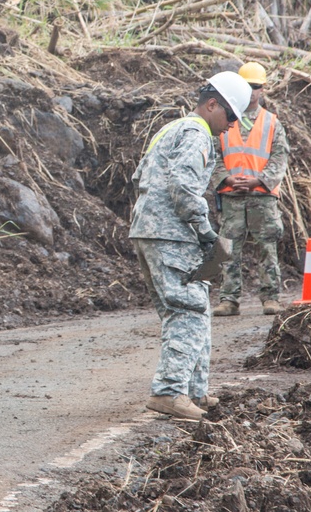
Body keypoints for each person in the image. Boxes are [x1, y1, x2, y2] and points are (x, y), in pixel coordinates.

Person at [130, 72, 252, 420]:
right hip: (173, 235)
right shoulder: (197, 133)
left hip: (150, 231)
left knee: (190, 307)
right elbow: (183, 185)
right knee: (188, 311)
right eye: (230, 117)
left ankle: (194, 391)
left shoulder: (170, 129)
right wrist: (205, 232)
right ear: (212, 104)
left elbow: (140, 178)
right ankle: (169, 392)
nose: (231, 126)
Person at [211, 62, 290, 317]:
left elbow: (280, 158)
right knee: (229, 249)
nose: (253, 92)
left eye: (257, 87)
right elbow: (214, 156)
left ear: (263, 89)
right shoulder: (225, 119)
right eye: (248, 87)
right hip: (232, 197)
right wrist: (227, 179)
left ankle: (271, 298)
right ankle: (229, 299)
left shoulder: (272, 123)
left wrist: (260, 181)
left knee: (267, 248)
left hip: (262, 197)